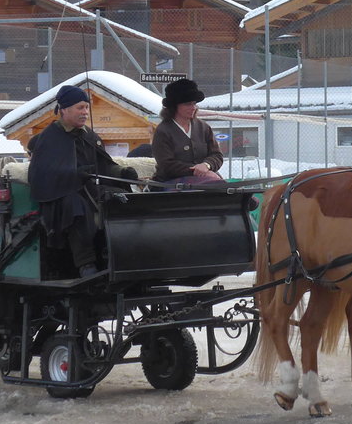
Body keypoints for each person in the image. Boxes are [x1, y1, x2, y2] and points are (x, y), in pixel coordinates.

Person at [28, 85, 137, 278]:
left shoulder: (89, 136)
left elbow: (103, 166)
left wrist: (122, 172)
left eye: (87, 107)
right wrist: (73, 175)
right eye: (80, 108)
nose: (85, 112)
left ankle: (124, 256)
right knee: (76, 206)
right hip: (58, 197)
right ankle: (86, 264)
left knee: (121, 198)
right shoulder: (49, 139)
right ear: (64, 109)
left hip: (90, 189)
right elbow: (42, 176)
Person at [151, 78, 225, 186]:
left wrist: (206, 165)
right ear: (174, 106)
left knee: (230, 192)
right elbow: (167, 164)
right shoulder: (163, 131)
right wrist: (196, 171)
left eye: (194, 103)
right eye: (188, 104)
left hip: (207, 178)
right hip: (171, 182)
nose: (193, 108)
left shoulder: (204, 127)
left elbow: (217, 155)